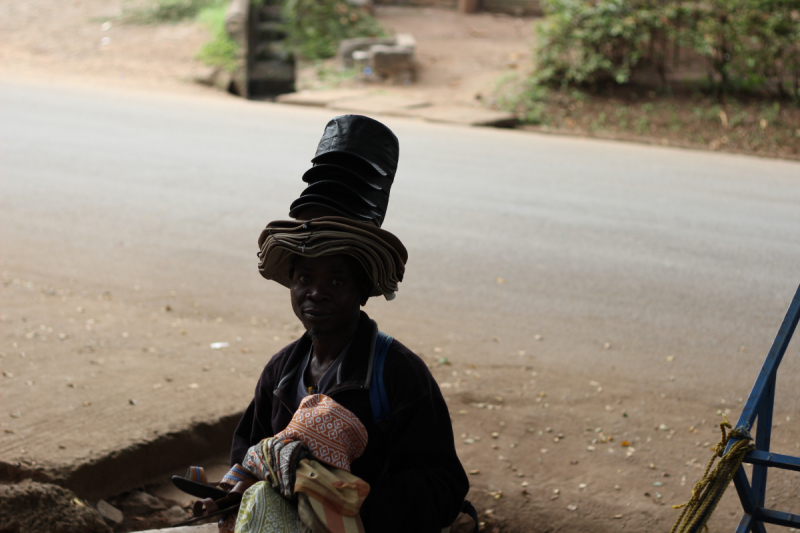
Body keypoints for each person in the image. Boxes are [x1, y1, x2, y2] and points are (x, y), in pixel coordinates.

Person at [229, 115, 469, 533]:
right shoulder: (280, 373)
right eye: (305, 278)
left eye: (336, 280)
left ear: (363, 291)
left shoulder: (396, 373)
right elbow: (244, 457)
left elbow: (443, 483)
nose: (316, 293)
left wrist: (342, 498)